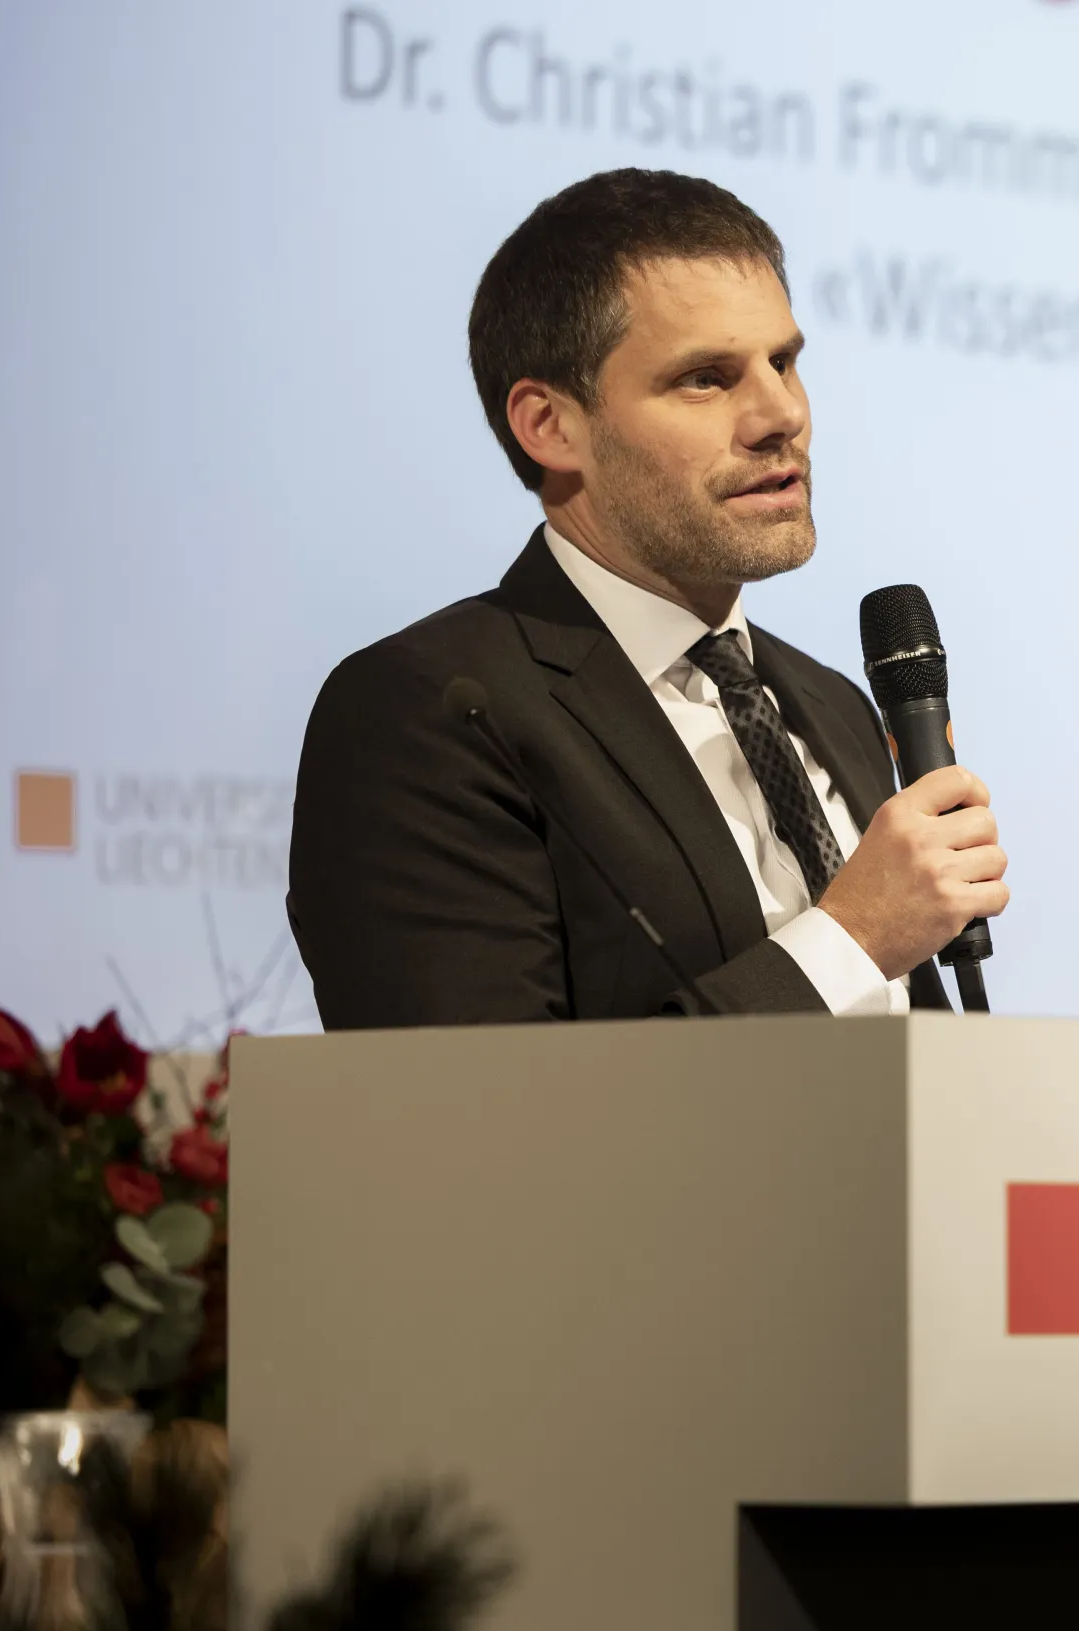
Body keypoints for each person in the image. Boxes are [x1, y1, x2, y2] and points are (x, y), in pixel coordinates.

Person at [288, 169, 1008, 1027]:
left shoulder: (835, 706)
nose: (780, 414)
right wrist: (852, 939)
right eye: (705, 378)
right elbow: (483, 1098)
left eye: (784, 362)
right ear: (551, 426)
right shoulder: (428, 714)